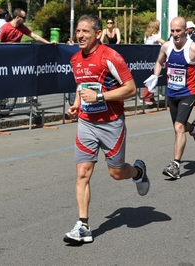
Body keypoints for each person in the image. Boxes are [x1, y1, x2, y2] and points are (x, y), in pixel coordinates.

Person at [63, 14, 150, 244]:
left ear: (98, 34)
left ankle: (138, 172)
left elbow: (131, 89)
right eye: (78, 31)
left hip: (111, 123)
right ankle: (83, 225)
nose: (80, 35)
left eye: (85, 32)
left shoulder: (110, 56)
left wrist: (100, 95)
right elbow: (81, 85)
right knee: (82, 173)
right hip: (86, 122)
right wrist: (77, 103)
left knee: (116, 173)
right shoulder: (75, 60)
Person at [143, 17, 195, 179]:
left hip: (189, 92)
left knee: (178, 127)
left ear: (186, 30)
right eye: (172, 31)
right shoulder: (166, 46)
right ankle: (194, 129)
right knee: (179, 127)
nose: (175, 34)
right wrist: (155, 75)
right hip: (172, 93)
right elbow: (159, 62)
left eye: (178, 31)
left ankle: (175, 166)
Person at [140, 19, 165, 105]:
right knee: (154, 77)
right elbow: (164, 43)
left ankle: (150, 97)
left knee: (153, 77)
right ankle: (146, 97)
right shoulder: (155, 35)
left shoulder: (146, 35)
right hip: (154, 59)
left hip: (147, 58)